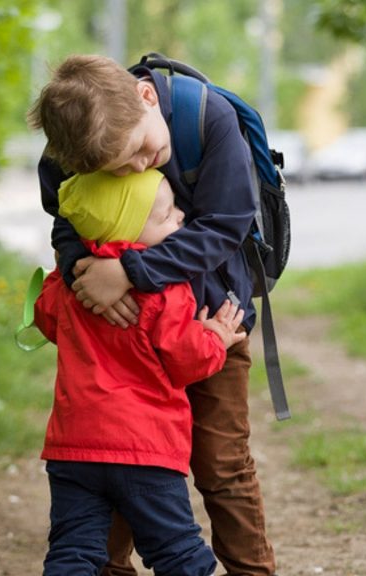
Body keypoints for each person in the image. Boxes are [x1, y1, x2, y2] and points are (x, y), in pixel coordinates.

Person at [31, 54, 277, 575]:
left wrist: (128, 273)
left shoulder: (207, 119)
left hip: (214, 323)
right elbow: (68, 225)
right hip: (118, 334)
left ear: (146, 98)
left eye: (139, 150)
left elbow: (225, 224)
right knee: (120, 456)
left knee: (221, 464)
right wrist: (81, 268)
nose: (138, 167)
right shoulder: (67, 152)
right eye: (116, 170)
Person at [33, 168, 247, 576]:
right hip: (145, 449)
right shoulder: (166, 289)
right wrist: (216, 338)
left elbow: (46, 319)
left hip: (74, 449)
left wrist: (58, 280)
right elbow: (186, 360)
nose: (181, 217)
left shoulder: (76, 283)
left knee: (73, 550)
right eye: (167, 216)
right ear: (131, 229)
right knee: (178, 552)